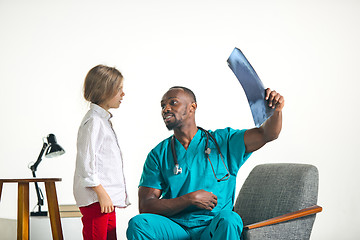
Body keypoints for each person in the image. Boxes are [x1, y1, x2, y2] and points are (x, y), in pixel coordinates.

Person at [126, 86, 284, 240]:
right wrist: (189, 199)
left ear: (192, 107)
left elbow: (267, 133)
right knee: (139, 224)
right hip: (176, 227)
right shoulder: (159, 154)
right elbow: (146, 206)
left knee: (230, 219)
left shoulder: (224, 141)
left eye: (173, 102)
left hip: (212, 227)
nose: (165, 109)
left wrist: (275, 111)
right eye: (162, 105)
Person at [73, 65, 130, 240]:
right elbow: (86, 164)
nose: (123, 94)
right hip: (97, 198)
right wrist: (102, 194)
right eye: (119, 89)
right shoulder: (93, 122)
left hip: (105, 198)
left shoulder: (102, 121)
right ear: (105, 90)